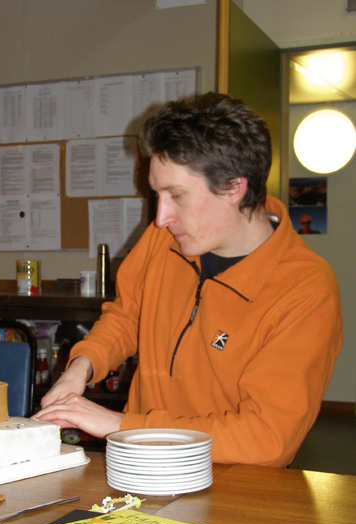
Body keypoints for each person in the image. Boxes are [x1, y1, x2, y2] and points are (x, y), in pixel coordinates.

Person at [33, 93, 342, 467]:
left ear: (234, 188)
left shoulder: (306, 291)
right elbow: (129, 314)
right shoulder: (165, 238)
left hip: (232, 488)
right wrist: (81, 367)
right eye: (157, 195)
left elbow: (267, 438)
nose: (161, 217)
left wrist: (120, 424)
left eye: (176, 196)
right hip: (139, 465)